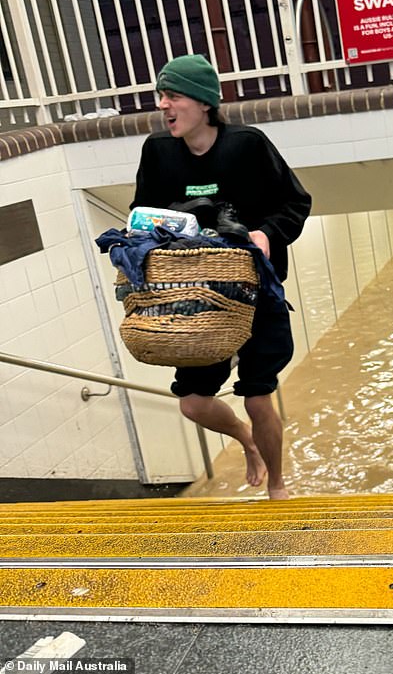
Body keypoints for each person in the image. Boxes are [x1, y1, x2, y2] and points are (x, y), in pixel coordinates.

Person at [131, 54, 311, 500]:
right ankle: (245, 440)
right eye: (161, 97)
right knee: (192, 403)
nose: (163, 105)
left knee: (257, 396)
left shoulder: (248, 145)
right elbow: (140, 216)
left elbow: (296, 203)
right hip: (194, 298)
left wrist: (267, 234)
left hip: (255, 294)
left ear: (204, 103)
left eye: (173, 96)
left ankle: (277, 482)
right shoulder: (158, 152)